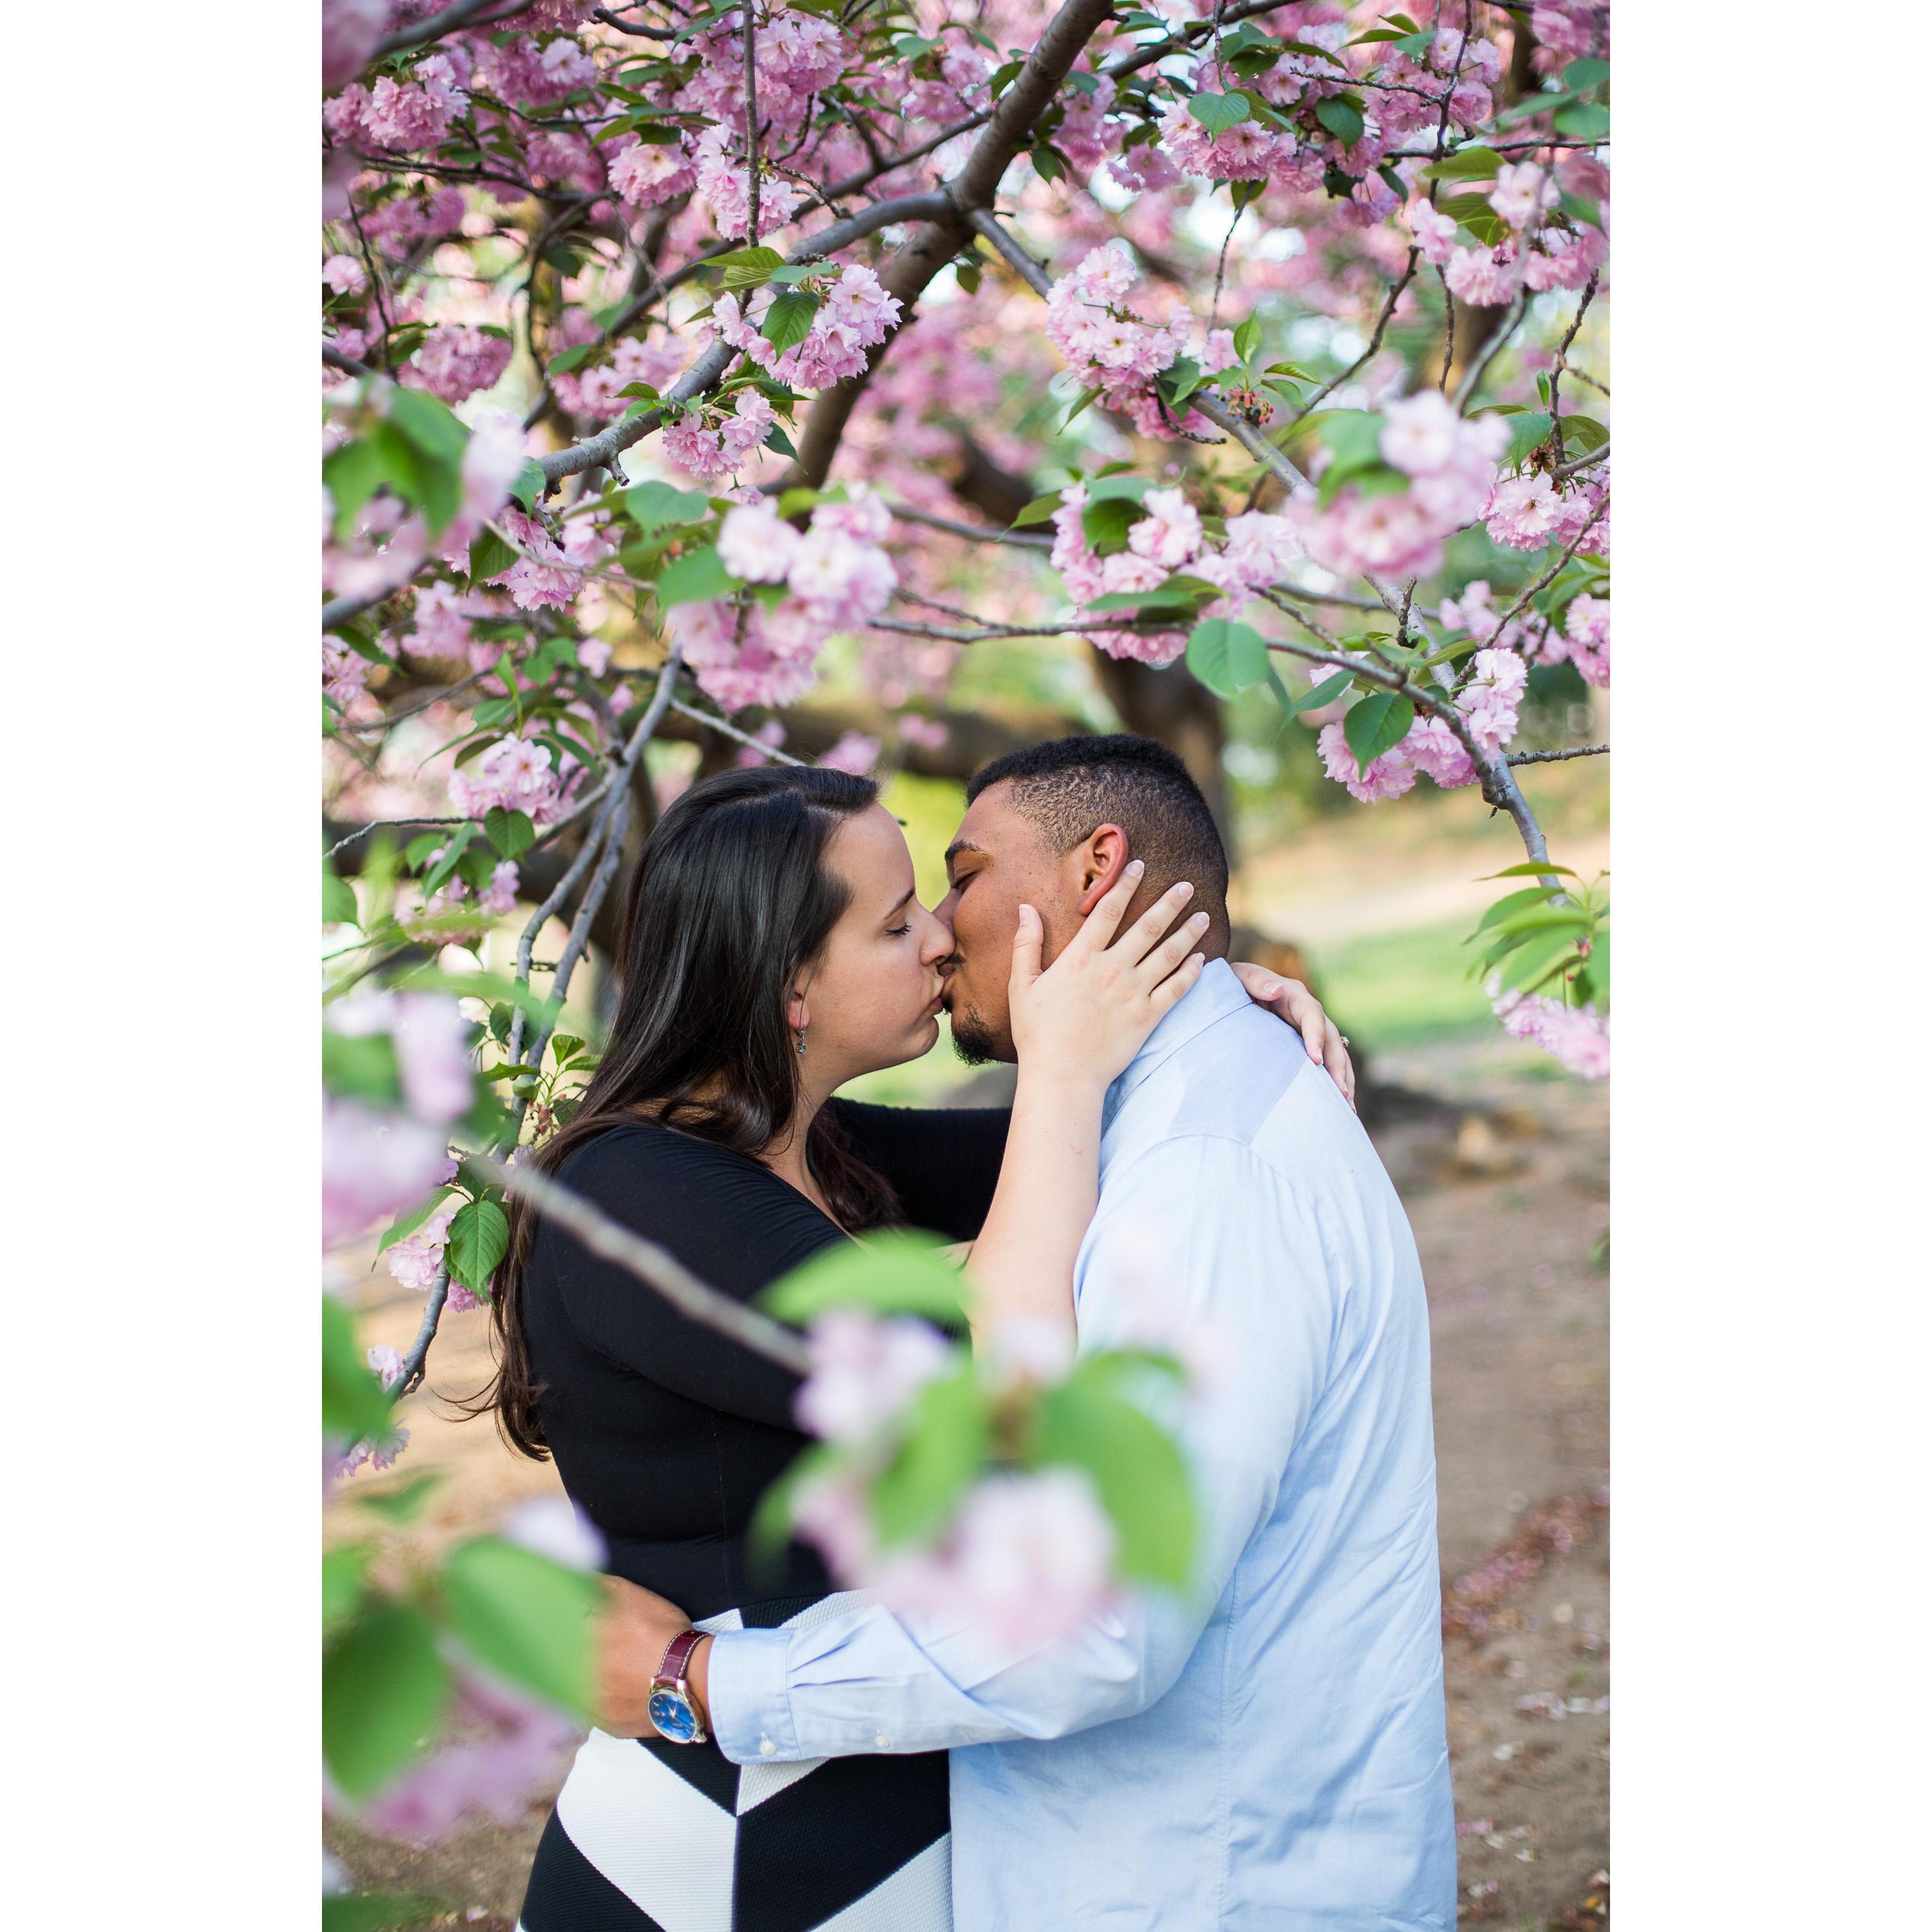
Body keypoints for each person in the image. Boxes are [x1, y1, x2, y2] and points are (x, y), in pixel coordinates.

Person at [597, 735, 1457, 1931]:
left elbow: (1096, 1623)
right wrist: (1202, 986)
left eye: (956, 878)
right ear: (791, 982)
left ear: (1098, 871)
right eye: (903, 917)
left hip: (1196, 1882)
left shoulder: (1197, 1170)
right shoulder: (678, 1192)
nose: (945, 930)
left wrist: (706, 1684)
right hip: (781, 1852)